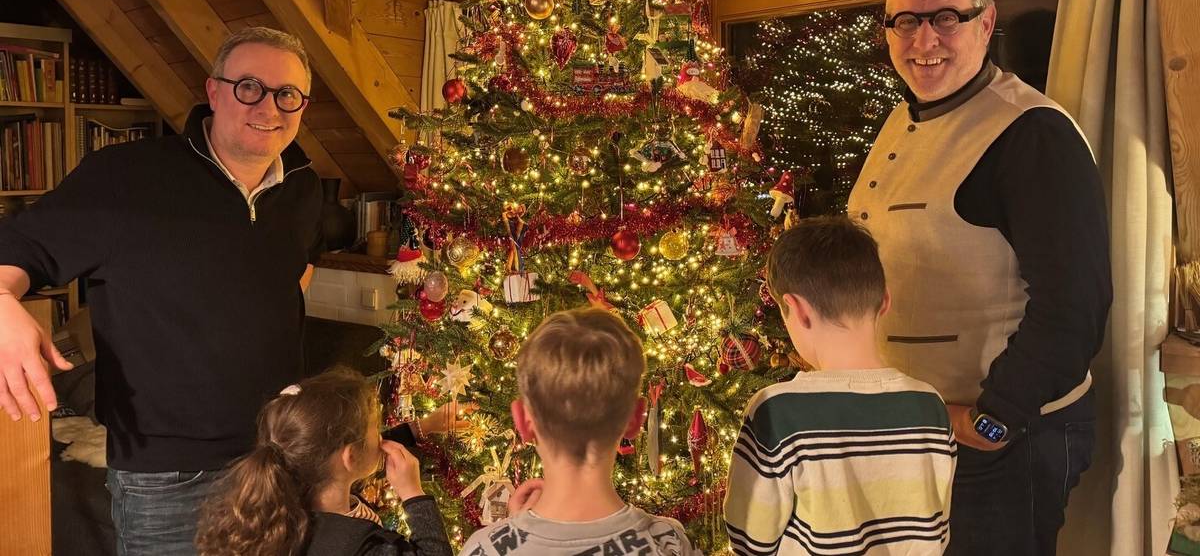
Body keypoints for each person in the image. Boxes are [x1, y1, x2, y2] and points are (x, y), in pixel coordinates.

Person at [0, 26, 314, 554]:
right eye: (249, 87)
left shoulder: (303, 185)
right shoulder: (126, 177)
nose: (268, 106)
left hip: (276, 458)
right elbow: (20, 245)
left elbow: (295, 273)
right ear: (213, 91)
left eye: (287, 94)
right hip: (165, 477)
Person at [846, 0, 1112, 556]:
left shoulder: (1032, 133)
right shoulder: (901, 119)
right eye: (906, 21)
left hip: (1001, 441)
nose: (924, 41)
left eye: (947, 18)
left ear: (985, 22)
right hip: (922, 431)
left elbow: (1074, 306)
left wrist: (994, 420)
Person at [724, 217, 956, 555]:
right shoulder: (930, 404)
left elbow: (750, 542)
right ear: (884, 301)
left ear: (797, 311)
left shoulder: (777, 413)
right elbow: (936, 531)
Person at [459, 308, 701, 556]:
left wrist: (512, 535)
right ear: (636, 419)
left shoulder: (481, 550)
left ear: (522, 422)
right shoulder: (671, 543)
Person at [195, 368, 453, 556]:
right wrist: (413, 495)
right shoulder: (356, 546)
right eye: (376, 427)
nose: (380, 437)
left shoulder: (282, 507)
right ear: (349, 457)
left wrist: (421, 428)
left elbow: (360, 452)